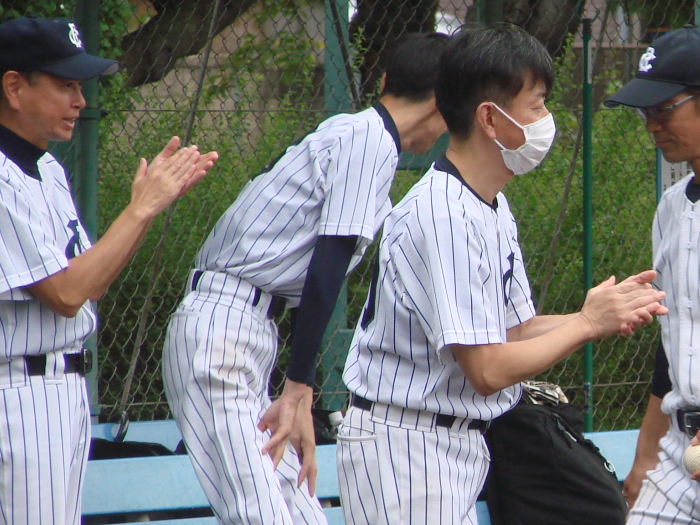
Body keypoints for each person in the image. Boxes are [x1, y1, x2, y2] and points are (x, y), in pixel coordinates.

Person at [336, 25, 667, 525]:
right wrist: (586, 324)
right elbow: (488, 370)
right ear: (490, 118)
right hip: (405, 447)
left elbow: (513, 332)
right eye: (537, 104)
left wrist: (598, 313)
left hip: (451, 443)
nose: (546, 120)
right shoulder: (442, 214)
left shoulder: (489, 204)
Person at [161, 32, 450, 525]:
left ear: (386, 80)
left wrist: (297, 390)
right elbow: (327, 267)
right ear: (443, 101)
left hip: (243, 329)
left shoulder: (359, 134)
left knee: (301, 511)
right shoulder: (370, 140)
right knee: (262, 513)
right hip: (221, 331)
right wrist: (299, 388)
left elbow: (318, 268)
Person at [0, 16, 217, 525]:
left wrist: (148, 209)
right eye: (66, 85)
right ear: (14, 87)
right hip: (18, 393)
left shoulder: (47, 168)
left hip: (59, 391)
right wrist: (140, 209)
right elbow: (66, 293)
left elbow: (90, 281)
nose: (80, 101)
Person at [604, 25, 700, 524]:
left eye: (664, 109)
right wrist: (645, 454)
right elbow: (672, 341)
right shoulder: (671, 207)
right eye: (646, 113)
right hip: (679, 446)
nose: (652, 126)